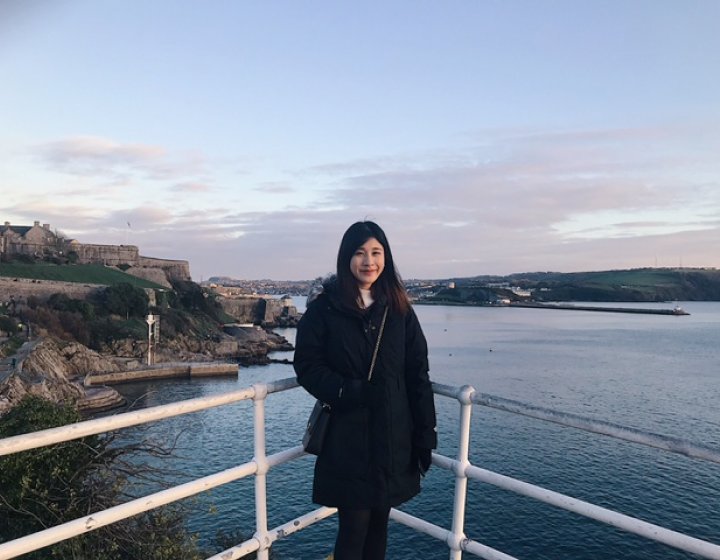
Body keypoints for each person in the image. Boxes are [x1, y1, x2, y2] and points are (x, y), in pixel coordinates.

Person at [294, 221, 437, 560]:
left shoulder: (399, 308)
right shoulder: (324, 309)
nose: (368, 261)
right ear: (346, 258)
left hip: (393, 436)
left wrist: (425, 434)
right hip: (348, 439)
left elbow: (418, 373)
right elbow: (307, 367)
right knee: (353, 529)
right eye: (359, 253)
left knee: (379, 526)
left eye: (375, 252)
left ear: (386, 257)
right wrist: (349, 391)